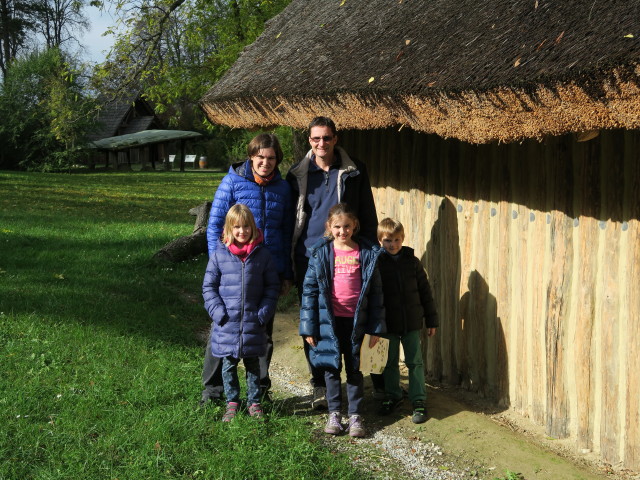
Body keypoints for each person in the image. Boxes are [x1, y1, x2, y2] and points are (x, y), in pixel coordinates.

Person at [287, 116, 382, 409]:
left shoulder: (354, 172)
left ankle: (358, 378)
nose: (321, 144)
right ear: (309, 141)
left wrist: (370, 253)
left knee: (349, 321)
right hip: (309, 257)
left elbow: (366, 212)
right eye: (316, 139)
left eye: (326, 138)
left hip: (344, 256)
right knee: (313, 321)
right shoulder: (297, 175)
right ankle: (319, 384)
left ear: (335, 139)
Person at [200, 133, 292, 407]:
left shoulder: (283, 189)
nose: (266, 162)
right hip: (229, 271)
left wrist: (285, 272)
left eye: (272, 158)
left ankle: (259, 393)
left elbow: (286, 232)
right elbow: (215, 225)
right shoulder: (232, 182)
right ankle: (213, 392)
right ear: (251, 156)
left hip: (265, 271)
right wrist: (219, 266)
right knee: (222, 331)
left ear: (278, 160)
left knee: (262, 331)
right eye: (260, 157)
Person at [299, 203, 385, 437]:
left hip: (359, 322)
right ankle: (335, 413)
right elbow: (309, 292)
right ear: (329, 226)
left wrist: (376, 329)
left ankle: (356, 416)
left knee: (356, 370)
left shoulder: (367, 253)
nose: (342, 231)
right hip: (330, 321)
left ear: (355, 225)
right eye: (337, 226)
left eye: (347, 226)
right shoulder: (320, 253)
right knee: (331, 368)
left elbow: (377, 294)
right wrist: (309, 327)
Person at [202, 204, 281, 421]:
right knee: (228, 366)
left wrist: (263, 314)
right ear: (229, 229)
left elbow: (271, 287)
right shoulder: (219, 256)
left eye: (246, 226)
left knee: (254, 366)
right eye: (236, 227)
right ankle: (232, 402)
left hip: (253, 323)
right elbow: (208, 287)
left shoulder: (262, 256)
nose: (242, 231)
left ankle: (255, 402)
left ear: (253, 228)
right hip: (227, 324)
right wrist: (218, 314)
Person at [375, 218, 438, 424]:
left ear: (403, 239)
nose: (392, 244)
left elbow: (425, 292)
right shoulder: (376, 263)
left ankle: (418, 400)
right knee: (390, 362)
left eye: (396, 240)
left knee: (415, 362)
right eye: (387, 240)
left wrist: (431, 320)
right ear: (380, 240)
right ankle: (393, 396)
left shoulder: (412, 261)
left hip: (411, 322)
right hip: (388, 323)